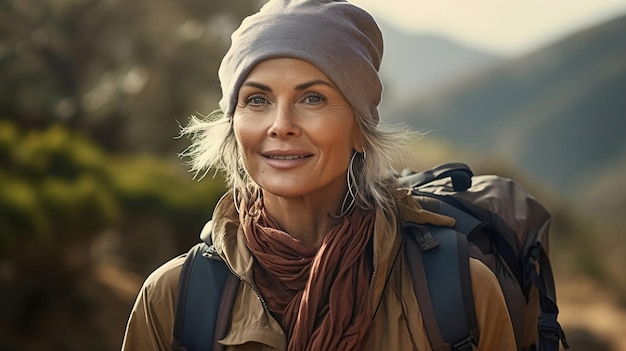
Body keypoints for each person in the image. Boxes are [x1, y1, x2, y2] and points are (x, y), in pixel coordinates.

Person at [121, 0, 517, 350]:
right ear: (234, 126)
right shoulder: (173, 300)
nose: (282, 125)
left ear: (360, 130)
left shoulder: (458, 291)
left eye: (313, 98)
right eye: (257, 99)